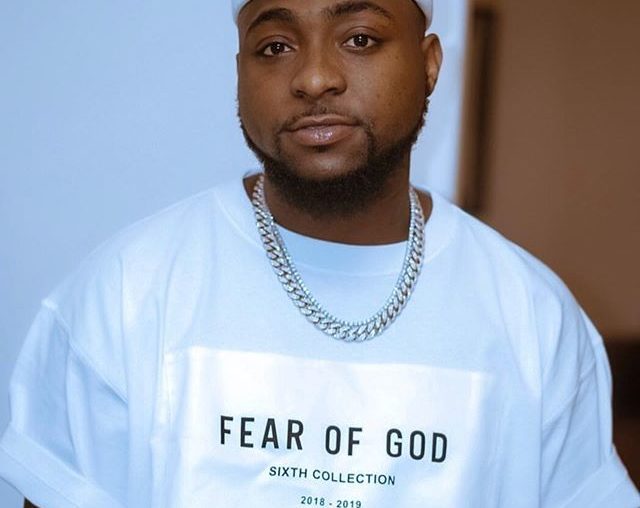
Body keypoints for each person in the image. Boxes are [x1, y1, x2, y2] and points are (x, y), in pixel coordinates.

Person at [2, 0, 639, 506]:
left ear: (429, 64)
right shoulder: (125, 293)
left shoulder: (533, 317)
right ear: (240, 72)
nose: (313, 79)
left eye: (359, 38)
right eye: (275, 47)